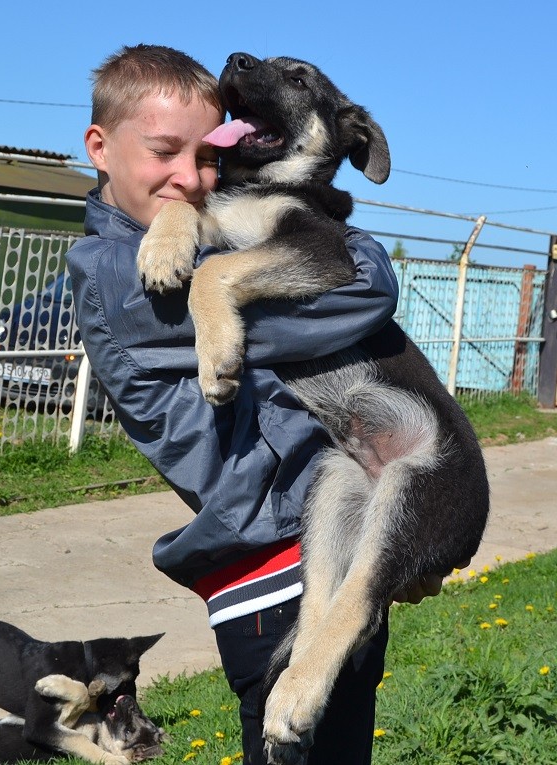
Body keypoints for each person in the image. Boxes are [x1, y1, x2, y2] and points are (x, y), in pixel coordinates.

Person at [66, 43, 447, 765]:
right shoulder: (127, 277)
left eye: (207, 155)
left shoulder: (185, 239)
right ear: (99, 147)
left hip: (320, 551)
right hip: (278, 570)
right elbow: (359, 291)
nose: (190, 177)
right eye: (163, 152)